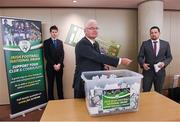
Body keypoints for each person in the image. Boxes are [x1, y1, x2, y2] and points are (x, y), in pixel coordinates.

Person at [73, 19, 132, 98]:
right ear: (85, 31)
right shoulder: (82, 44)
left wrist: (103, 66)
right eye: (91, 28)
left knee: (94, 106)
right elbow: (97, 56)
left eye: (96, 28)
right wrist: (120, 60)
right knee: (81, 108)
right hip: (83, 83)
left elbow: (96, 59)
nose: (94, 30)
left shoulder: (96, 43)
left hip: (94, 81)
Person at [138, 26, 172, 93]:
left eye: (155, 32)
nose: (153, 34)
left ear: (159, 33)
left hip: (160, 72)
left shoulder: (165, 44)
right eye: (151, 33)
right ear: (150, 34)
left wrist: (164, 63)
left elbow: (169, 57)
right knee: (146, 91)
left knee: (159, 92)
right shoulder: (145, 43)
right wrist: (143, 64)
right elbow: (140, 57)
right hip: (147, 72)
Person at [44, 25, 64, 100]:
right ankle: (51, 101)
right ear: (50, 32)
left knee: (60, 85)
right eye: (53, 32)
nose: (54, 33)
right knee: (50, 85)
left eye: (56, 32)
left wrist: (59, 64)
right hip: (50, 67)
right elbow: (46, 55)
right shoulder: (46, 42)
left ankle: (61, 100)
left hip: (60, 67)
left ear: (57, 33)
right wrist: (54, 65)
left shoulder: (60, 42)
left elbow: (62, 54)